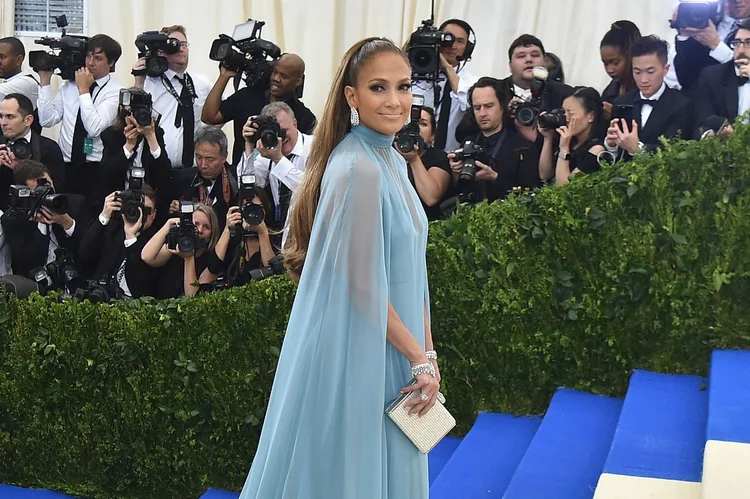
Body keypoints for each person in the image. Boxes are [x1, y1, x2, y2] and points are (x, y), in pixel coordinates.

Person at [238, 37, 439, 498]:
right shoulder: (358, 168)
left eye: (404, 86)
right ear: (352, 97)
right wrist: (418, 357)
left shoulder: (389, 156)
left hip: (393, 346)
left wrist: (427, 354)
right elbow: (363, 284)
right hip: (358, 350)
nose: (395, 100)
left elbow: (412, 270)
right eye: (378, 87)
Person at [36, 34, 123, 199]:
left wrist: (84, 90)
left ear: (111, 63)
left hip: (94, 168)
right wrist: (45, 81)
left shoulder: (114, 92)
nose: (90, 63)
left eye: (98, 58)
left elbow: (94, 128)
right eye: (89, 56)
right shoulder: (68, 86)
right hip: (65, 166)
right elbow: (47, 120)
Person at [202, 53, 317, 164]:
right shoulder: (247, 97)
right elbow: (209, 117)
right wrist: (224, 76)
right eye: (275, 72)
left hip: (281, 179)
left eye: (284, 76)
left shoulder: (304, 117)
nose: (276, 78)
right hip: (242, 176)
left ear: (298, 82)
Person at [449, 77, 540, 203]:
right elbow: (458, 189)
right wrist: (455, 173)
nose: (482, 113)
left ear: (502, 106)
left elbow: (530, 195)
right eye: (477, 108)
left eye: (488, 106)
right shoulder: (467, 142)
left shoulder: (523, 147)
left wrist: (495, 178)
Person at [134, 25, 212, 169]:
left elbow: (219, 111)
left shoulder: (201, 83)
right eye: (174, 44)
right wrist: (138, 81)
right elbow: (130, 118)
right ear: (161, 51)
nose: (180, 48)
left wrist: (207, 132)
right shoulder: (149, 83)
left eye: (184, 44)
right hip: (155, 168)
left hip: (192, 171)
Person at [605, 36, 694, 160]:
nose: (643, 80)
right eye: (637, 72)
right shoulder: (622, 102)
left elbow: (673, 152)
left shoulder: (681, 105)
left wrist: (637, 148)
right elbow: (615, 158)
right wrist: (611, 146)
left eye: (650, 72)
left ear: (665, 69)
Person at [238, 101, 312, 234]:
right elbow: (247, 186)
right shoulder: (267, 152)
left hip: (309, 226)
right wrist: (249, 146)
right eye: (275, 133)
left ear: (295, 124)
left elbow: (310, 190)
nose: (280, 139)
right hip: (281, 231)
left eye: (284, 131)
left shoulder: (314, 147)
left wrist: (278, 159)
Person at [413, 19, 479, 153]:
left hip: (449, 158)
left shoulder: (471, 82)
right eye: (448, 39)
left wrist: (447, 67)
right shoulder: (414, 77)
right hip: (410, 152)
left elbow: (467, 102)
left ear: (467, 48)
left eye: (460, 41)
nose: (453, 45)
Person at [140, 201, 220, 298]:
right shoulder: (175, 246)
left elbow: (193, 297)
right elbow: (147, 257)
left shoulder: (211, 261)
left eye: (206, 227)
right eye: (196, 224)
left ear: (212, 234)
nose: (200, 230)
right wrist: (169, 224)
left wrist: (189, 258)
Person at [0, 93, 65, 209]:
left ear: (28, 120)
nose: (3, 123)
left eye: (10, 117)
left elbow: (56, 190)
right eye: (1, 116)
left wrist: (22, 168)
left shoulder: (48, 148)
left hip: (36, 213)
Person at [538, 87, 606, 186]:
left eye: (570, 113)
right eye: (563, 112)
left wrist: (564, 149)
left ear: (591, 116)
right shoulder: (568, 140)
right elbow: (544, 175)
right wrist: (548, 138)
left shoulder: (597, 149)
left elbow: (565, 187)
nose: (566, 118)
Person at [394, 106, 452, 220]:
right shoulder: (387, 154)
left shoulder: (439, 158)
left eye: (422, 124)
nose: (415, 128)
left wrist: (414, 159)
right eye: (408, 122)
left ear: (432, 135)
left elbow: (431, 197)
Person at [694, 18, 750, 135]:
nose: (740, 50)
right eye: (737, 43)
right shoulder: (712, 76)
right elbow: (701, 123)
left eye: (748, 43)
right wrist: (710, 136)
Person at [600, 21, 642, 118]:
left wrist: (616, 116)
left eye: (615, 63)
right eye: (605, 64)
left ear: (630, 56)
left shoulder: (644, 89)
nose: (610, 70)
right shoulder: (610, 91)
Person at [0, 36, 41, 134]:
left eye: (2, 57)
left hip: (24, 147)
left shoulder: (26, 83)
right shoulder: (10, 82)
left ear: (18, 60)